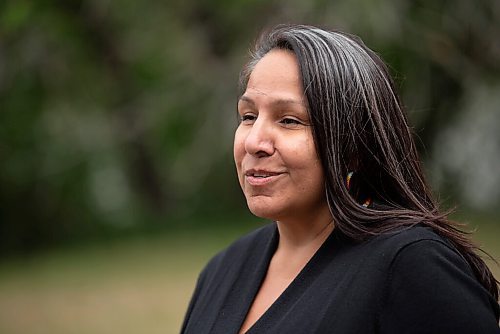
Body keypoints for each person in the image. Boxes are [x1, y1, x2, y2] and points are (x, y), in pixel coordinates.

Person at [181, 24, 500, 333]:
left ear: (353, 147)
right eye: (248, 116)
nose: (253, 142)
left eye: (289, 120)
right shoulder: (225, 269)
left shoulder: (411, 265)